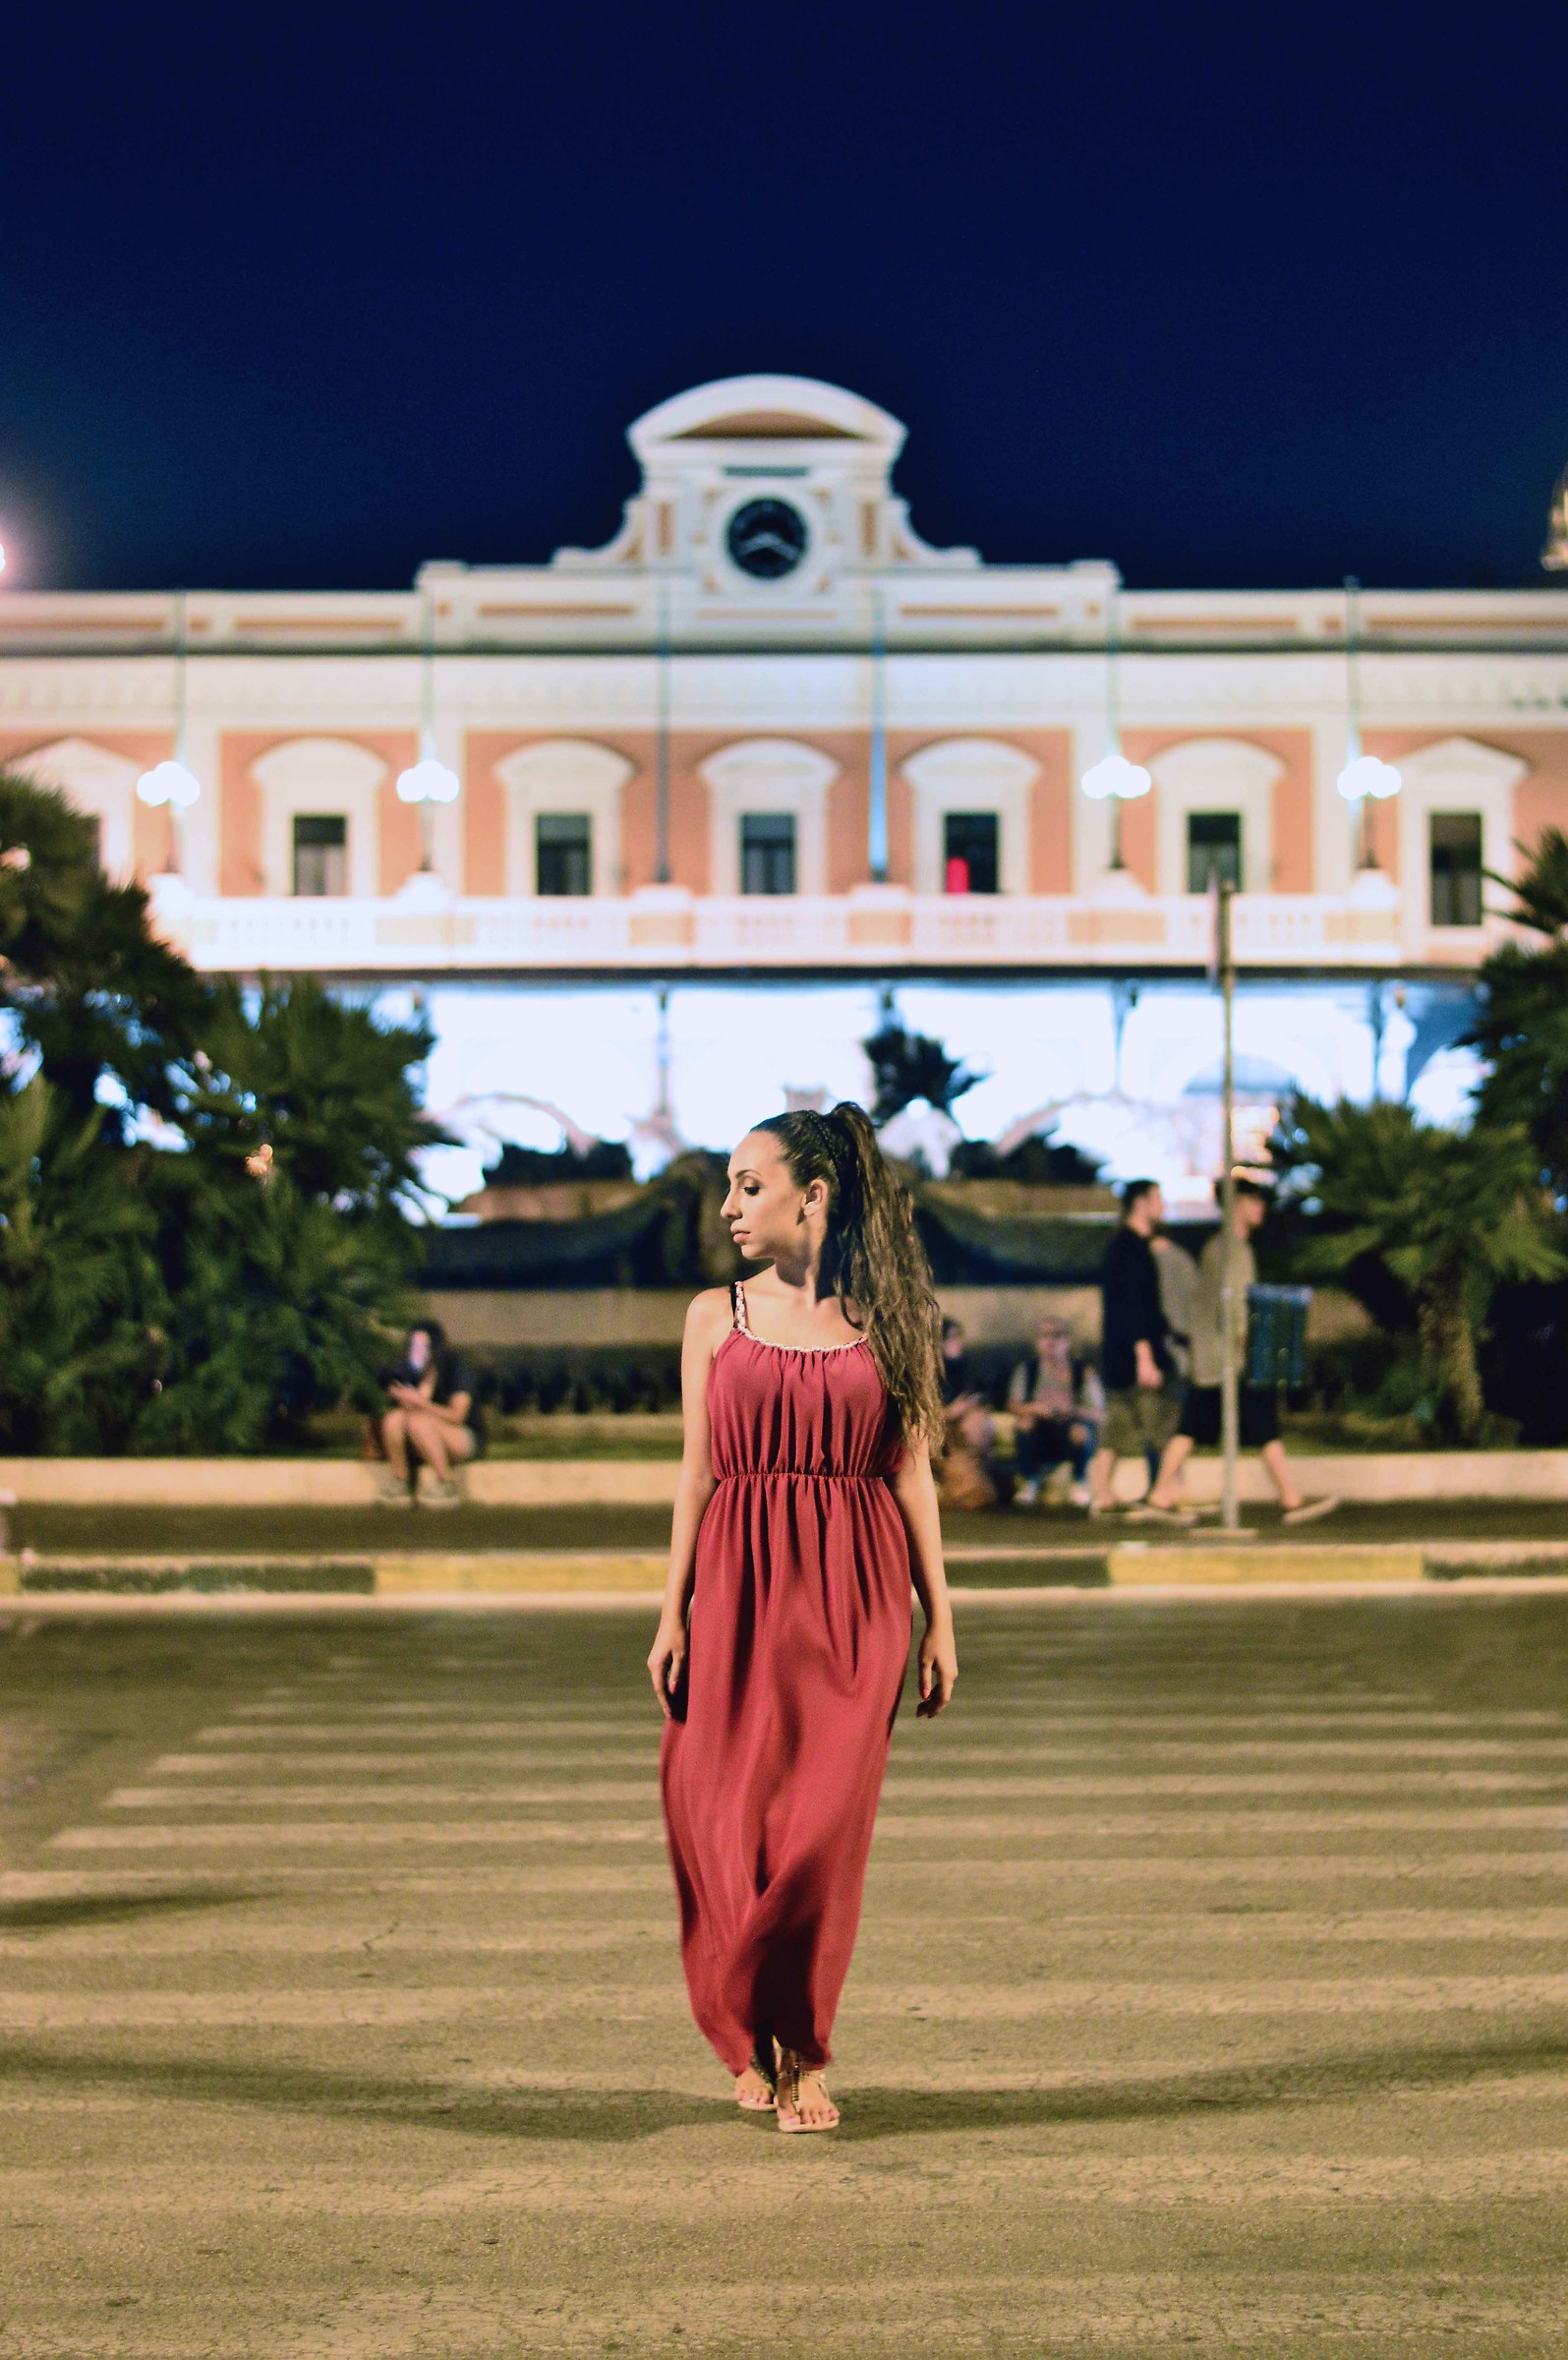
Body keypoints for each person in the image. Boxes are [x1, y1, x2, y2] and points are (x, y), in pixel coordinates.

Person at [649, 1101, 958, 2135]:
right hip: (737, 1594)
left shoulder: (887, 1323)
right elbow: (694, 1473)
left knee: (821, 1833)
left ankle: (802, 2051)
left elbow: (911, 1477)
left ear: (812, 1195)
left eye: (749, 1185)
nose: (730, 1207)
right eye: (729, 1188)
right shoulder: (712, 1318)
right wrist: (672, 1611)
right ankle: (755, 2033)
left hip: (855, 1599)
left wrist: (940, 1617)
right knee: (732, 1827)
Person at [1140, 1178, 1340, 1526]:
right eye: (1253, 1201)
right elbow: (1235, 1307)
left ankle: (1160, 1494)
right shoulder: (1233, 1250)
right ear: (1237, 1205)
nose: (1260, 1207)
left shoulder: (1220, 1247)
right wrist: (1247, 1346)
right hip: (1226, 1360)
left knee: (1197, 1427)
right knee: (1255, 1423)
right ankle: (1290, 1499)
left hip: (1213, 1357)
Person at [1088, 1179, 1180, 1514]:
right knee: (1165, 1423)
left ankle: (1102, 1495)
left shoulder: (1122, 1247)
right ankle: (1164, 1492)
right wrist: (1145, 1356)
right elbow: (1134, 1307)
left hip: (1118, 1353)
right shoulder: (1132, 1249)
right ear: (1140, 1202)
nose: (1162, 1206)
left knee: (1118, 1424)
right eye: (1158, 1198)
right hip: (1138, 1354)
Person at [377, 1320, 481, 1507]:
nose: (419, 1351)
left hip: (462, 1436)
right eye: (414, 1345)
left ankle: (446, 1484)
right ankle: (400, 1481)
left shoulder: (456, 1368)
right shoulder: (409, 1371)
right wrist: (402, 1397)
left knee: (419, 1422)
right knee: (393, 1419)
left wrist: (422, 1403)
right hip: (423, 1437)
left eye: (424, 1346)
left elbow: (457, 1416)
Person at [1008, 1315, 1103, 1505]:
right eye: (1045, 1336)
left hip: (1069, 1427)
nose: (1051, 1342)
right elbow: (1013, 1404)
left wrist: (1071, 1409)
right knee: (1024, 1424)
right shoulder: (1028, 1369)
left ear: (1067, 1341)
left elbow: (1098, 1413)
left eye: (1057, 1336)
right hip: (1040, 1429)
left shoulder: (1082, 1371)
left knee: (1080, 1431)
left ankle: (1079, 1481)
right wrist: (1034, 1408)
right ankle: (1030, 1480)